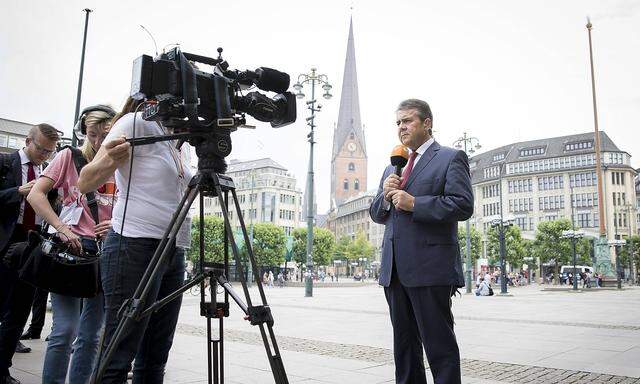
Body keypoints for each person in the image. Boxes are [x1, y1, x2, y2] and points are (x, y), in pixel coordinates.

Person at [77, 98, 191, 383]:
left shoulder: (183, 140)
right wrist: (112, 160)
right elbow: (85, 181)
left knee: (156, 354)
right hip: (133, 245)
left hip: (173, 249)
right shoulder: (133, 123)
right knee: (118, 352)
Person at [369, 99, 473, 384]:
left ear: (427, 123)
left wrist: (416, 203)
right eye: (398, 122)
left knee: (439, 347)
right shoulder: (392, 167)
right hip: (394, 272)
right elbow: (378, 214)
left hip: (430, 268)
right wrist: (385, 196)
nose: (401, 127)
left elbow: (463, 205)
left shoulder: (451, 157)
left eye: (408, 121)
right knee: (404, 348)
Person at [27, 107, 115, 383]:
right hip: (70, 251)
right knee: (65, 329)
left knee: (91, 335)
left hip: (105, 253)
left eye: (106, 134)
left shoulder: (122, 161)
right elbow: (36, 195)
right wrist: (62, 228)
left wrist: (115, 225)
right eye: (93, 134)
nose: (99, 141)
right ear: (83, 132)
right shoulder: (70, 156)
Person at [0, 123, 59, 384]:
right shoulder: (5, 163)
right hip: (5, 241)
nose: (45, 155)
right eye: (41, 149)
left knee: (19, 310)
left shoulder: (48, 172)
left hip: (33, 242)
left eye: (50, 151)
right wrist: (17, 192)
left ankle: (3, 369)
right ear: (27, 141)